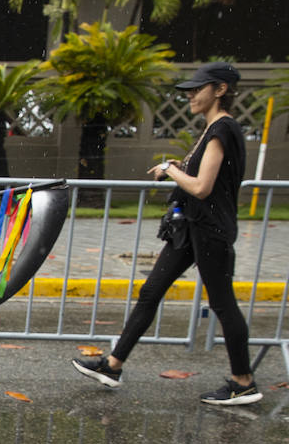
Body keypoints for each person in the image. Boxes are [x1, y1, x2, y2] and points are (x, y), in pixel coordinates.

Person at [72, 61, 259, 406]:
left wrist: (171, 170)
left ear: (220, 90)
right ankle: (113, 365)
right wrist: (172, 168)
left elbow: (203, 187)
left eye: (198, 89)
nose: (190, 96)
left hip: (210, 229)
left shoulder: (223, 129)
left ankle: (243, 381)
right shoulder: (213, 128)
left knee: (222, 303)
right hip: (189, 228)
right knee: (151, 290)